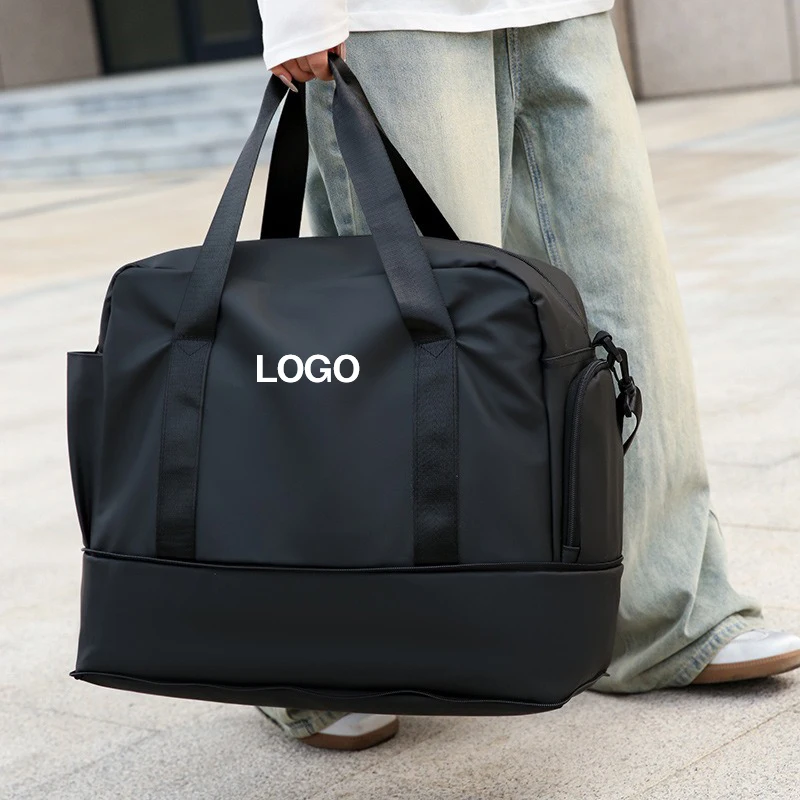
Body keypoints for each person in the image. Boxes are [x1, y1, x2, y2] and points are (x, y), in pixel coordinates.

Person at [253, 0, 800, 750]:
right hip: (392, 21)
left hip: (563, 12)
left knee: (626, 313)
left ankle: (659, 619)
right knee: (416, 346)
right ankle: (309, 655)